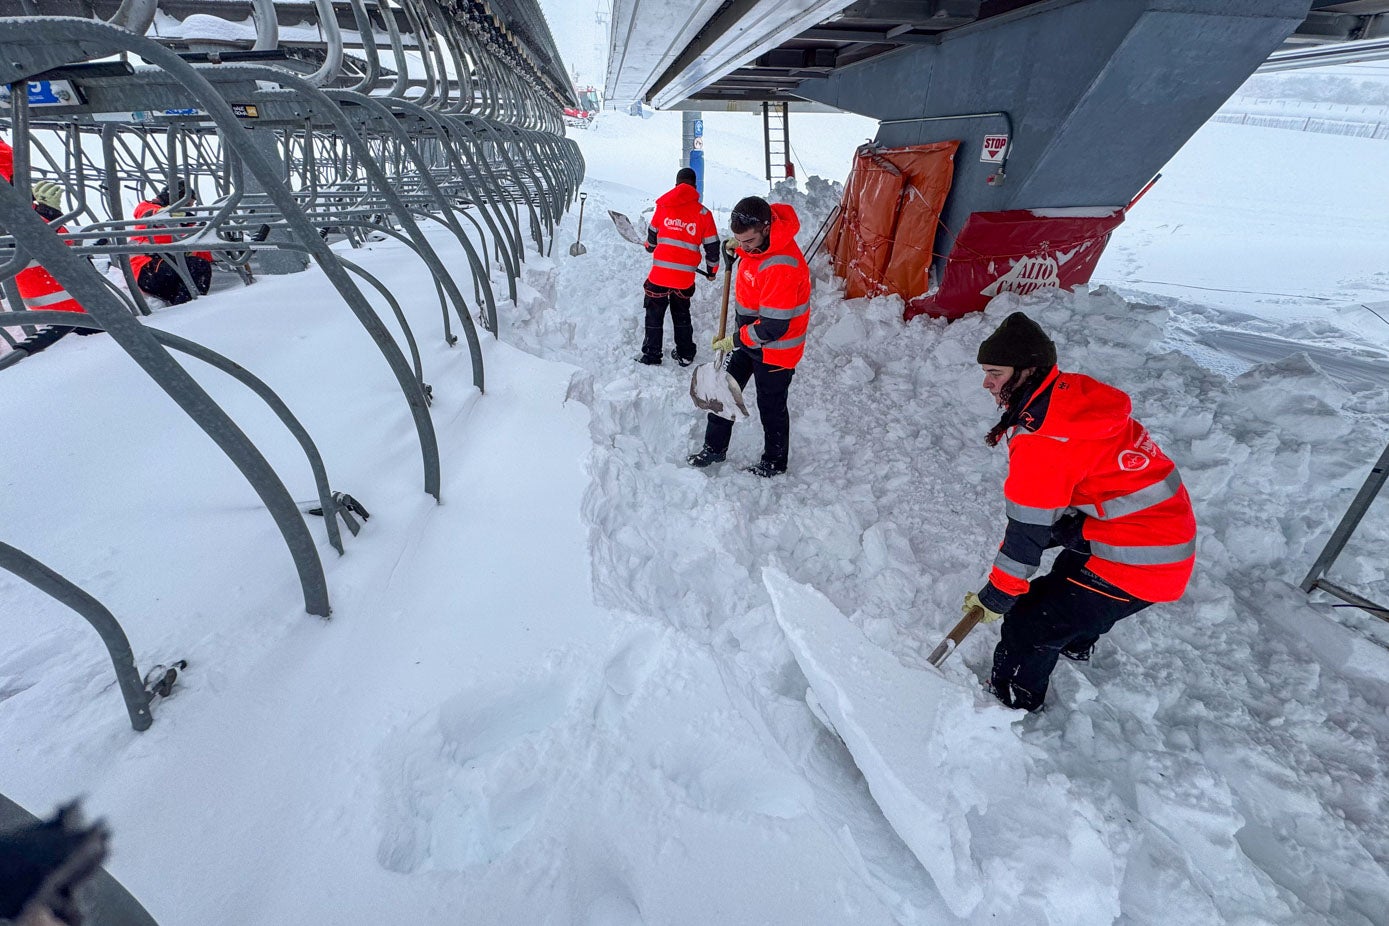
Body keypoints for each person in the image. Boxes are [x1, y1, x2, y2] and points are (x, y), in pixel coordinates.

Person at [963, 311, 1197, 712]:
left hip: (1145, 558)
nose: (987, 383)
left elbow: (1027, 533)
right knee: (1067, 577)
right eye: (986, 372)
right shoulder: (1072, 397)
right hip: (1153, 531)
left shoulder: (1044, 440)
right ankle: (1077, 639)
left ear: (1028, 371)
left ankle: (1013, 701)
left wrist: (1000, 594)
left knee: (1030, 621)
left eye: (996, 372)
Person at [686, 196, 810, 477]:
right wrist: (739, 251)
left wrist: (735, 340)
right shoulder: (756, 248)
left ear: (766, 229)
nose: (743, 246)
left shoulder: (782, 266)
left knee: (771, 407)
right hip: (748, 341)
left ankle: (775, 462)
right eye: (738, 240)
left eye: (749, 241)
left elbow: (773, 327)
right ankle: (714, 449)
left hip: (776, 350)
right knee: (722, 391)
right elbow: (752, 254)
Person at [637, 167, 720, 366]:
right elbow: (712, 246)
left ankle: (651, 355)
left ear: (676, 185)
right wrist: (711, 270)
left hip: (659, 276)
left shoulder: (664, 207)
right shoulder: (703, 213)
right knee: (681, 314)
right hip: (684, 279)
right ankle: (685, 354)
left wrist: (650, 247)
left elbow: (652, 234)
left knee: (654, 314)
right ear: (695, 186)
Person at [8, 179, 100, 358]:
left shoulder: (28, 212)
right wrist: (49, 217)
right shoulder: (13, 217)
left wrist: (50, 217)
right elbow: (37, 245)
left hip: (80, 305)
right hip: (67, 313)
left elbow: (66, 244)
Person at [131, 182, 213, 306]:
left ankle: (185, 311)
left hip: (165, 268)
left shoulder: (186, 224)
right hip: (147, 267)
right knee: (198, 266)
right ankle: (190, 310)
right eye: (186, 204)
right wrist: (182, 215)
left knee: (198, 268)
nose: (188, 209)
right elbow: (150, 214)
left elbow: (203, 253)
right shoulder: (148, 207)